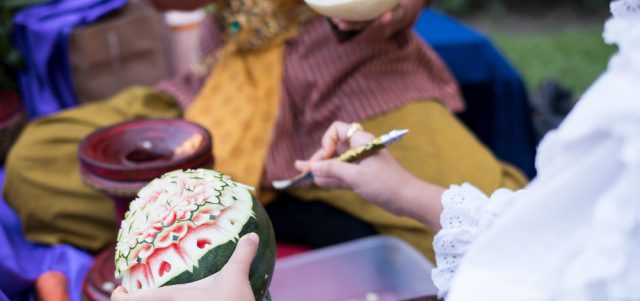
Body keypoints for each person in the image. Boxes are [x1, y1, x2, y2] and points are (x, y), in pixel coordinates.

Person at [112, 2, 640, 301]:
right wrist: (405, 190)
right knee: (36, 161)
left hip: (352, 73)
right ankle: (312, 210)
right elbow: (543, 243)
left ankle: (310, 215)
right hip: (230, 69)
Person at [3, 0, 526, 261]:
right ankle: (280, 209)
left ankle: (254, 215)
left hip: (350, 82)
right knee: (38, 164)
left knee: (496, 228)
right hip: (221, 84)